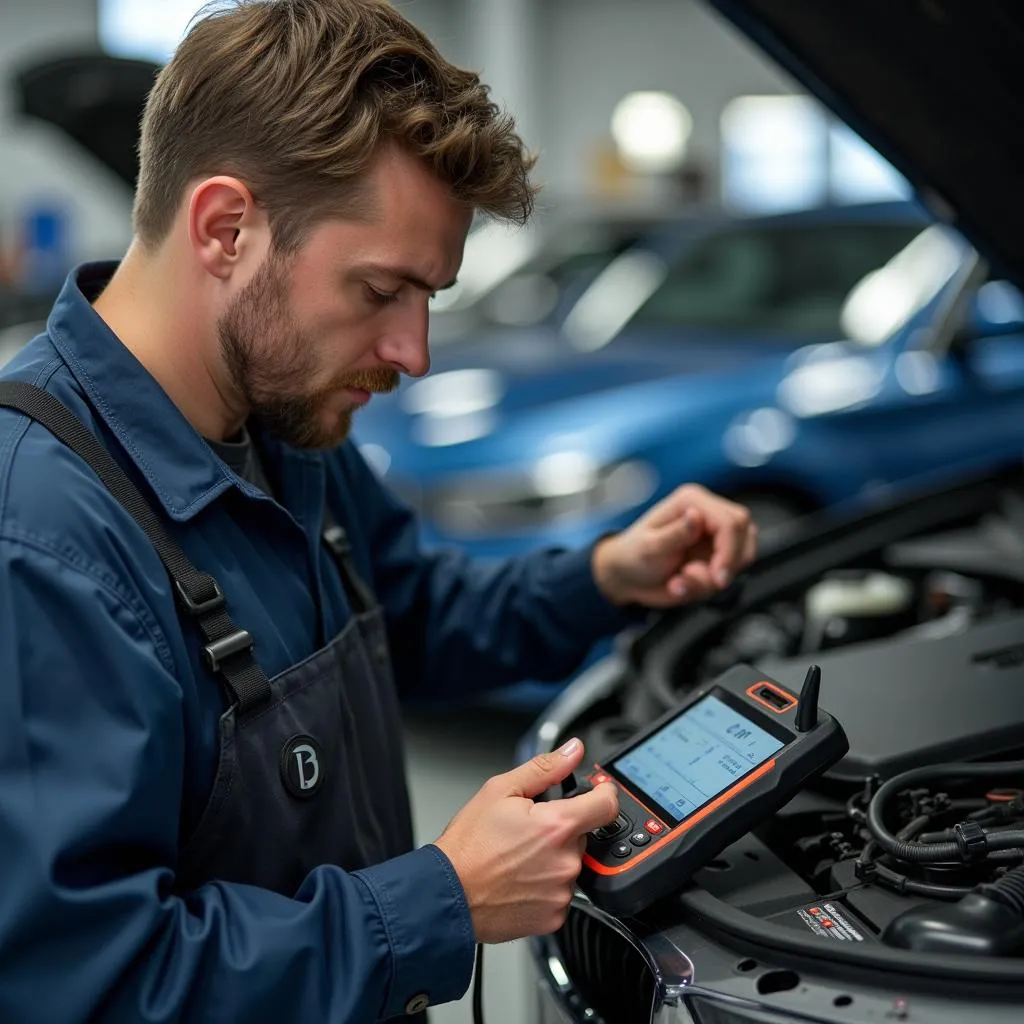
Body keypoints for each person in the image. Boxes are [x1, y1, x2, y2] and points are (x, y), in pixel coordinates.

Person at [0, 1, 756, 1021]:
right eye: (379, 290)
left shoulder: (280, 425)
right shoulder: (43, 540)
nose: (413, 354)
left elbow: (409, 612)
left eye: (430, 297)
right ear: (226, 228)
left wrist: (603, 575)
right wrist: (436, 902)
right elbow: (86, 985)